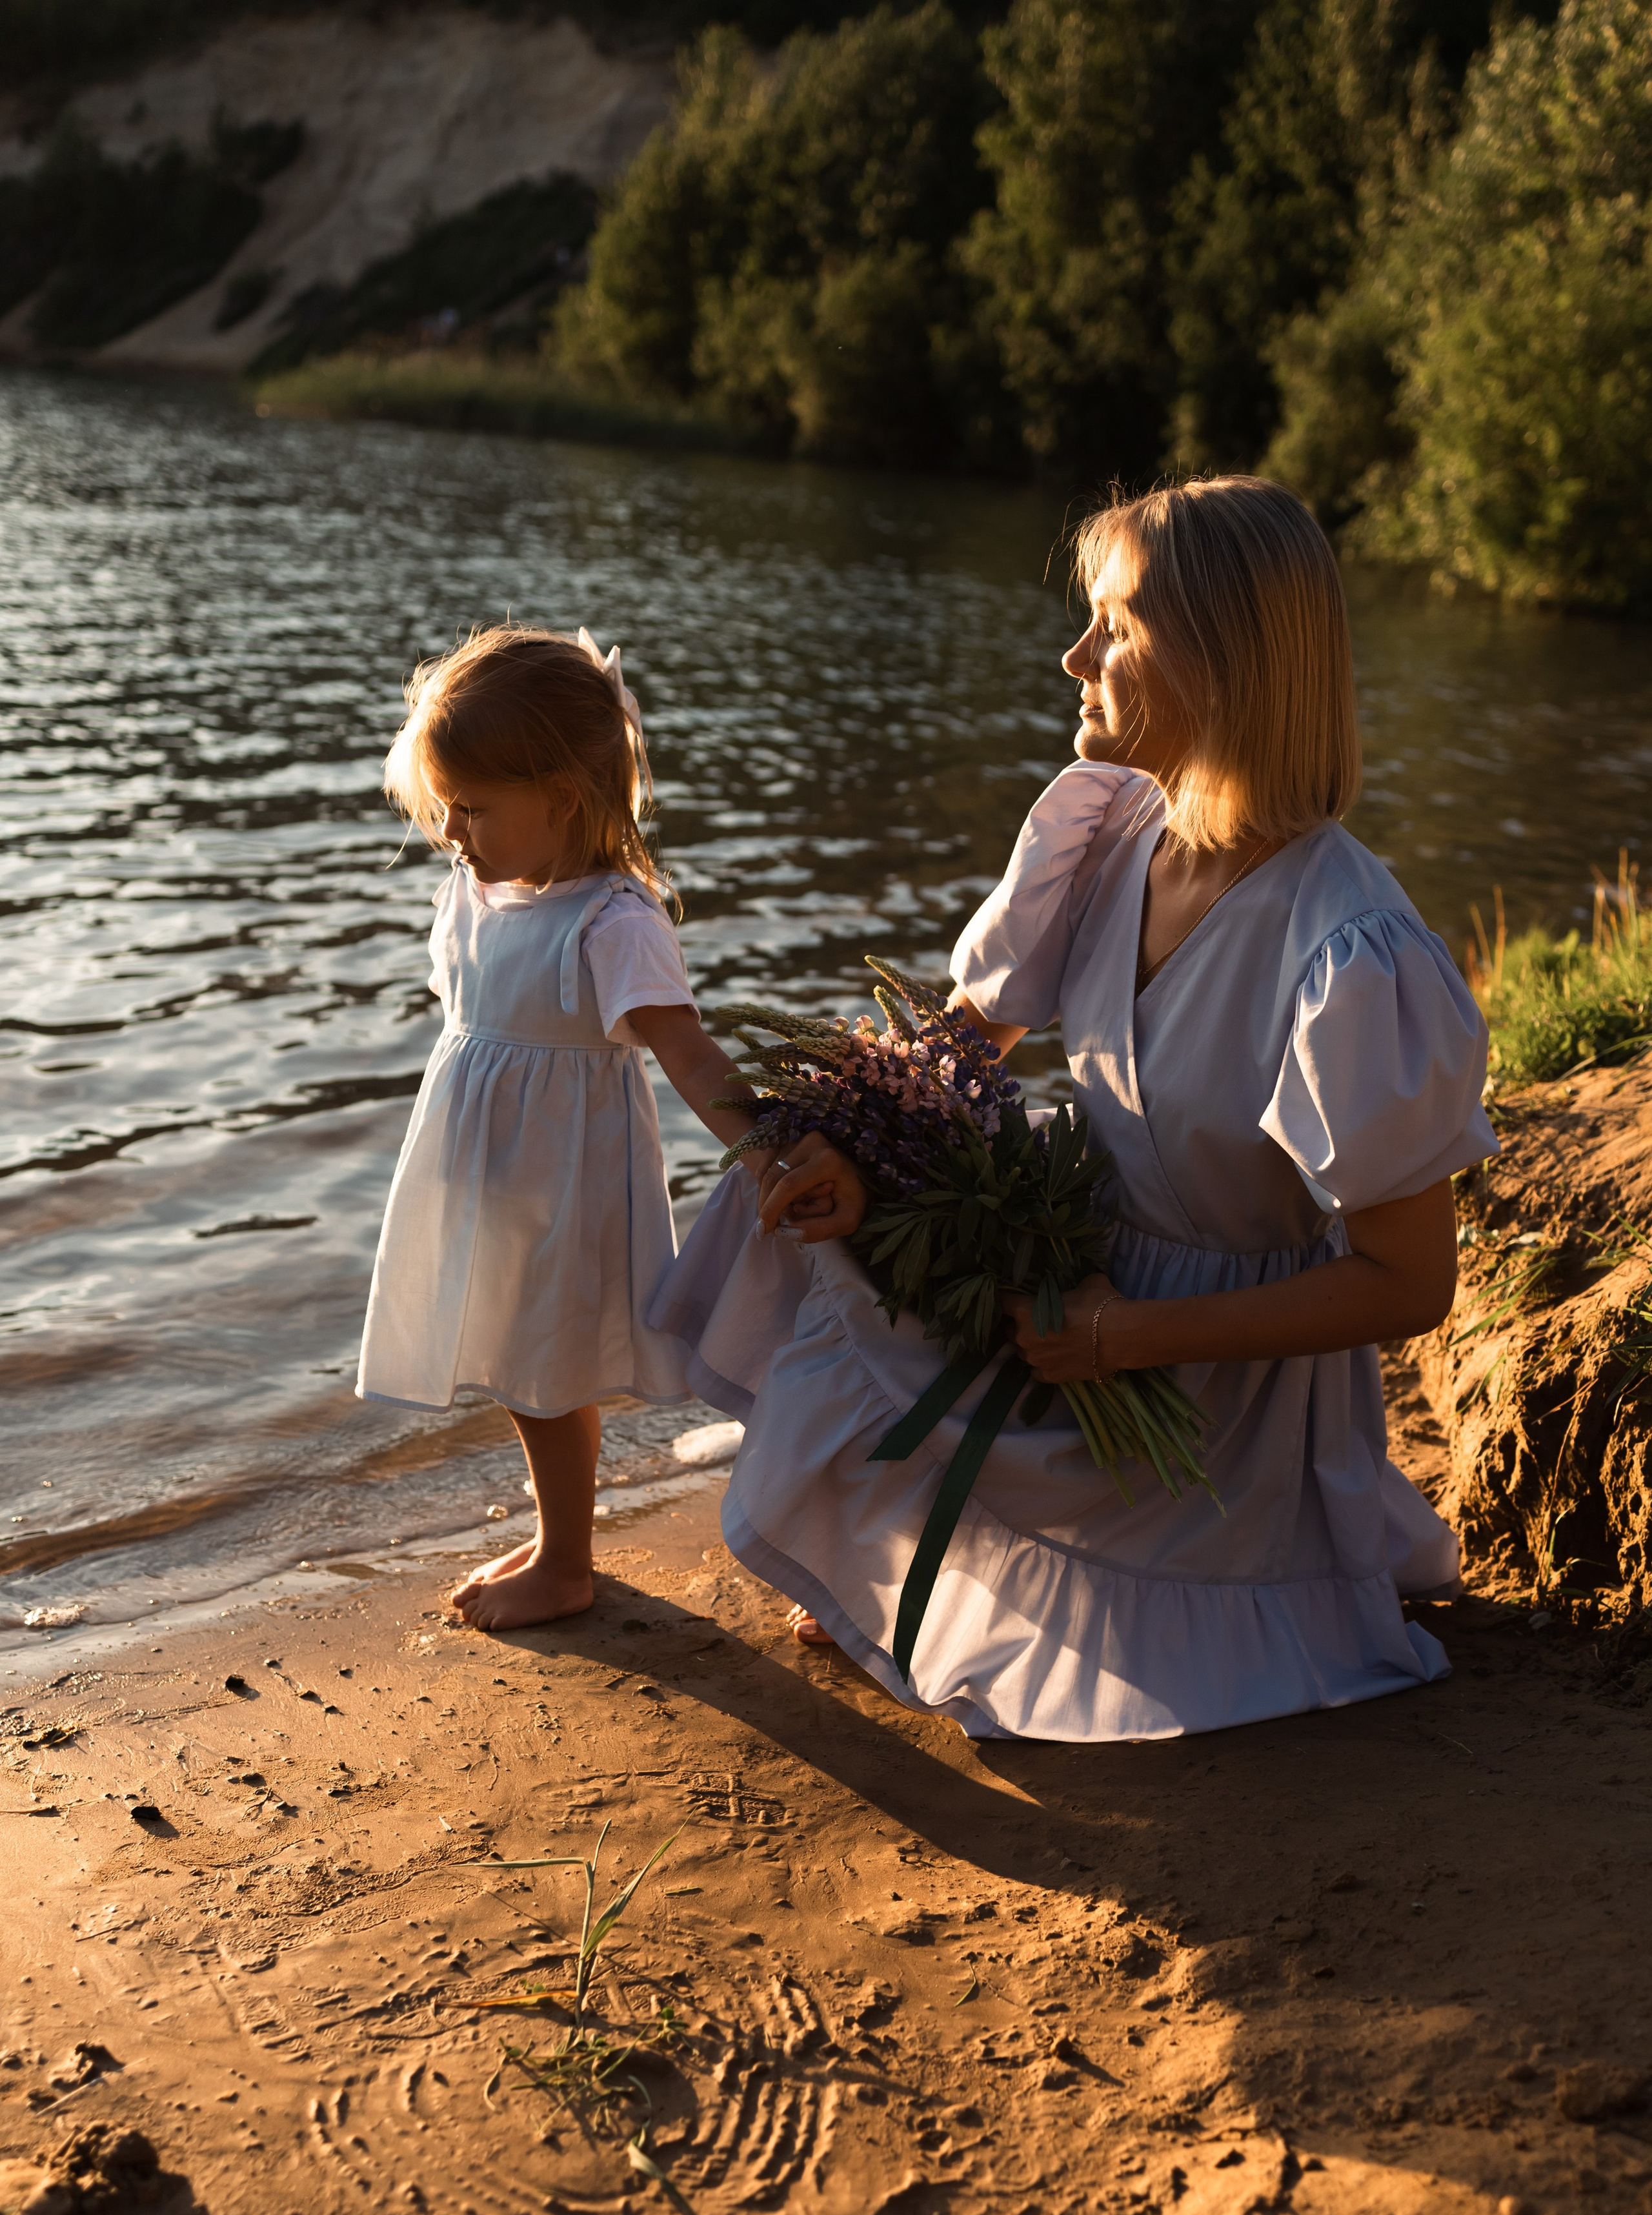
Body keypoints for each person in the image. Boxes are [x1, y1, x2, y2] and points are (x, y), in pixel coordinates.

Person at [649, 476, 1497, 1741]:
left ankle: (946, 1529)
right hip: (1067, 1295)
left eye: (1112, 621)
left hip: (1208, 1385)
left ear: (1224, 659)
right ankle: (895, 1520)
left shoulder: (1352, 952)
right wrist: (856, 1165)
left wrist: (1124, 1338)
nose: (1073, 654)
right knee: (785, 1174)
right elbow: (954, 1055)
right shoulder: (1104, 834)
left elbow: (1403, 1285)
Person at [357, 625, 776, 1632]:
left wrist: (767, 1149)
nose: (452, 830)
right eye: (445, 805)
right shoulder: (473, 891)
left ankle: (567, 1564)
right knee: (520, 1369)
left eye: (474, 808)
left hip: (564, 1182)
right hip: (489, 1172)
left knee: (545, 1375)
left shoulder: (612, 922)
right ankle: (562, 1540)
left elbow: (690, 1056)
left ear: (566, 796)